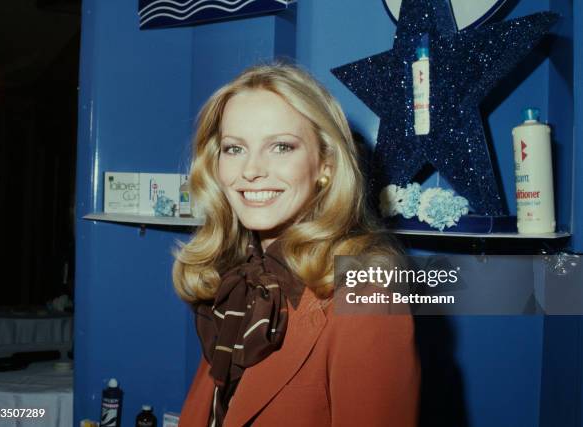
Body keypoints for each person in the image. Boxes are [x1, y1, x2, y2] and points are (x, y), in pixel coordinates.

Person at [172, 63, 420, 426]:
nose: (251, 170)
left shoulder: (368, 294)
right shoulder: (237, 278)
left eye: (281, 147)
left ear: (326, 165)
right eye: (234, 148)